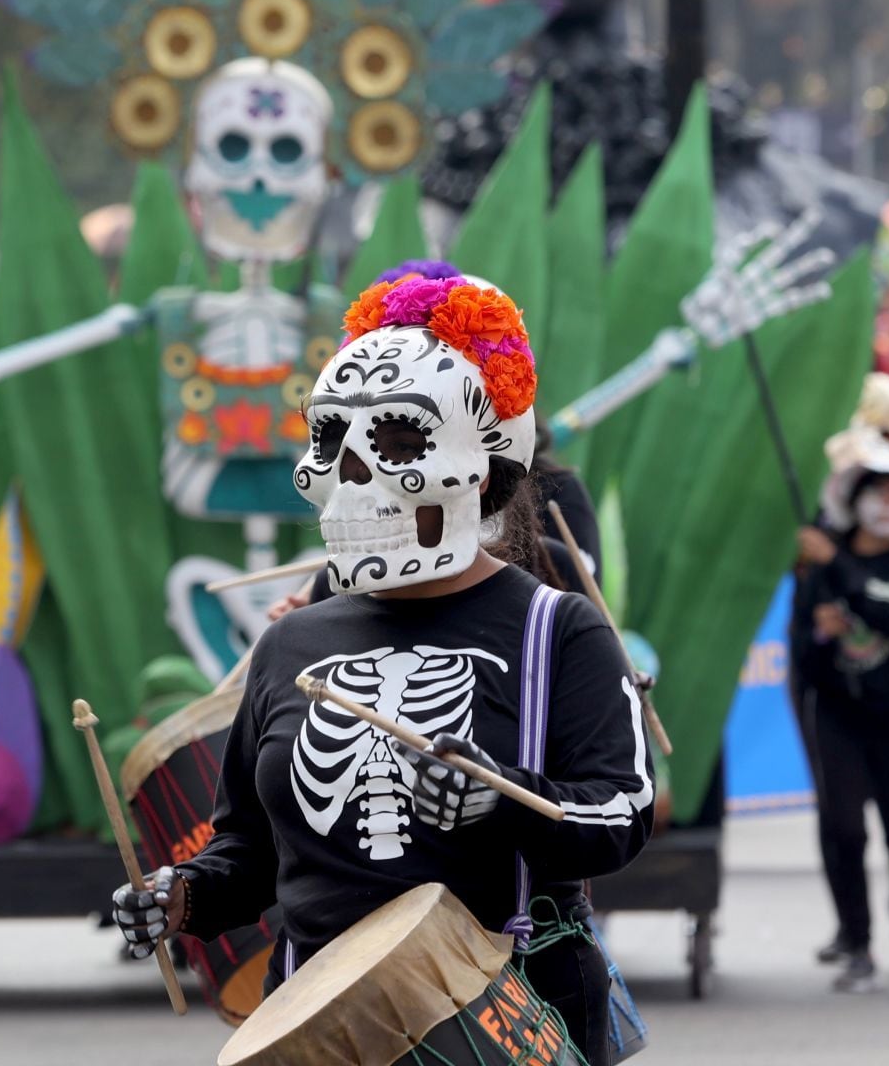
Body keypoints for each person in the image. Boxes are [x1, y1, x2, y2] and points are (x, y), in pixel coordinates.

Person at [110, 275, 654, 1064]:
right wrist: (182, 894)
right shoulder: (289, 648)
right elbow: (250, 856)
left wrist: (498, 801)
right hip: (317, 1021)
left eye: (399, 444)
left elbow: (621, 815)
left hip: (506, 1015)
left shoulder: (556, 630)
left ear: (478, 466)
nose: (356, 473)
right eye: (331, 442)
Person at [795, 428, 889, 993]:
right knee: (844, 829)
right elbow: (803, 652)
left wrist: (842, 574)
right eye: (877, 494)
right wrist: (822, 633)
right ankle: (857, 941)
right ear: (853, 502)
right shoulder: (823, 565)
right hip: (840, 715)